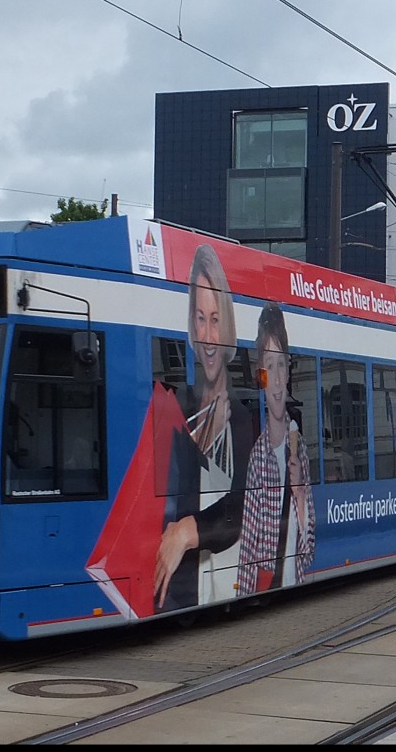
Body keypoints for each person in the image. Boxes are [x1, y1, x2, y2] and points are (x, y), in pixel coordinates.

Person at [154, 243, 256, 612]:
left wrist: (185, 531)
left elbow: (241, 509)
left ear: (226, 326)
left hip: (217, 585)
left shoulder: (243, 418)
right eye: (200, 318)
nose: (209, 335)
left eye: (215, 319)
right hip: (174, 589)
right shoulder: (176, 407)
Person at [237, 303, 316, 596]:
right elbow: (248, 546)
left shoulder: (301, 450)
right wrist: (243, 596)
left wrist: (299, 493)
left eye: (281, 363)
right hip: (270, 583)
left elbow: (308, 550)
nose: (277, 376)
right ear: (261, 376)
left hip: (294, 580)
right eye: (269, 365)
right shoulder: (258, 456)